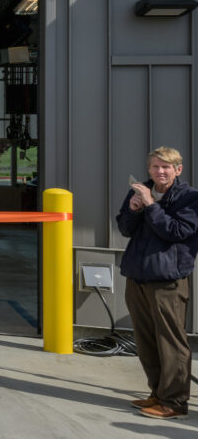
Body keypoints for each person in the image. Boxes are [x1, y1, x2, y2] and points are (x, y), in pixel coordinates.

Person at [116, 146, 198, 420]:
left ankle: (174, 402)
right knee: (146, 340)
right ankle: (157, 393)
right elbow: (126, 229)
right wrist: (133, 208)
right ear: (149, 168)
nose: (159, 171)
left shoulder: (190, 198)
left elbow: (176, 231)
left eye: (166, 167)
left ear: (178, 170)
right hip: (138, 275)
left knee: (171, 342)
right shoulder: (139, 191)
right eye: (155, 166)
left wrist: (150, 205)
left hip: (167, 281)